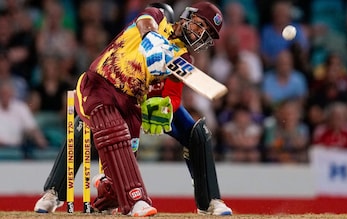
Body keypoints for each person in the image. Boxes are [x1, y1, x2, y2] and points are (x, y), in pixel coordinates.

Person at [34, 2, 232, 217]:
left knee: (193, 134)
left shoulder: (182, 58)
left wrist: (161, 107)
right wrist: (153, 40)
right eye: (201, 26)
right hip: (102, 85)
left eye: (207, 34)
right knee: (89, 126)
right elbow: (146, 20)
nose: (201, 36)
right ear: (187, 17)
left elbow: (171, 97)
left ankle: (108, 193)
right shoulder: (157, 18)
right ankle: (53, 193)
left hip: (133, 105)